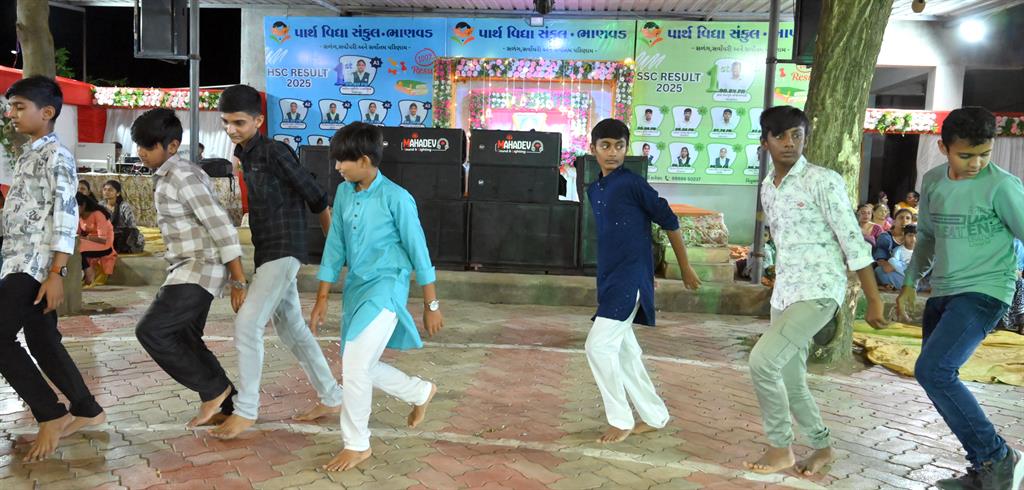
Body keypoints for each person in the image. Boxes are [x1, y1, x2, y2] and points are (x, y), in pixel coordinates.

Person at [743, 105, 887, 476]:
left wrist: (873, 299)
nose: (789, 143)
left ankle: (780, 448)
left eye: (797, 135)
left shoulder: (823, 180)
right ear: (765, 142)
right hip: (785, 293)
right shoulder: (768, 188)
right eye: (780, 136)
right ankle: (823, 447)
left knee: (762, 362)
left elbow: (852, 240)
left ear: (806, 138)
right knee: (791, 378)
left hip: (820, 290)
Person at [896, 106, 1024, 489]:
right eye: (966, 155)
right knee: (935, 377)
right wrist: (910, 282)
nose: (976, 163)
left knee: (933, 370)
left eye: (985, 154)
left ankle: (998, 458)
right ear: (943, 148)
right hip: (944, 291)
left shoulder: (1003, 186)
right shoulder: (934, 181)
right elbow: (927, 238)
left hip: (987, 290)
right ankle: (984, 468)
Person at [210, 84, 344, 439]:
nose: (231, 129)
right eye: (225, 122)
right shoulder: (246, 155)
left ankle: (246, 410)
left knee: (247, 324)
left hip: (285, 249)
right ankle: (332, 397)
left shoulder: (274, 151)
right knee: (292, 329)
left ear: (258, 120)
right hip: (268, 251)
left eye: (239, 122)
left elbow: (316, 195)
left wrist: (333, 250)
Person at [309, 122, 443, 471]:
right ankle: (419, 392)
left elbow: (419, 252)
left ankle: (357, 444)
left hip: (387, 287)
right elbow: (335, 245)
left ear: (365, 160)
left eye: (343, 161)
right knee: (361, 364)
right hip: (356, 289)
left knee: (354, 365)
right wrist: (322, 296)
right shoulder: (344, 193)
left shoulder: (397, 197)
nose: (337, 167)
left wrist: (431, 304)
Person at [0, 75, 106, 462]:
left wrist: (57, 273)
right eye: (10, 107)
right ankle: (87, 409)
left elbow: (65, 215)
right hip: (17, 260)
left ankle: (50, 413)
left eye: (19, 107)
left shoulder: (57, 156)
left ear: (47, 112)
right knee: (43, 340)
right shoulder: (29, 154)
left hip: (34, 265)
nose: (11, 114)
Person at [583, 118, 701, 444]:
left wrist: (685, 268)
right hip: (610, 278)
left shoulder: (633, 184)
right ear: (593, 149)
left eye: (619, 146)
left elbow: (669, 220)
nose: (612, 152)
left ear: (626, 148)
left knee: (597, 346)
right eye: (605, 146)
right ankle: (654, 416)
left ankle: (620, 419)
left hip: (629, 278)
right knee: (624, 353)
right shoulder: (595, 190)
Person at [130, 108, 246, 429]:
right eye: (139, 145)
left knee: (152, 331)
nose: (141, 152)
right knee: (185, 337)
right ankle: (229, 405)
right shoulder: (170, 175)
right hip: (186, 268)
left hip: (198, 268)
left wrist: (238, 280)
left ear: (172, 146)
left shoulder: (182, 175)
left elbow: (220, 224)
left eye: (148, 145)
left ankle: (214, 390)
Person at [77, 192, 116, 286]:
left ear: (83, 205)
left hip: (104, 244)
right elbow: (77, 233)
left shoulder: (98, 214)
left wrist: (85, 237)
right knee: (73, 244)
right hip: (90, 242)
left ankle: (88, 271)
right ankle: (83, 272)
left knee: (78, 246)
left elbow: (103, 239)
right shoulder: (78, 216)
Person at [101, 180, 145, 254]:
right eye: (105, 189)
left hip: (123, 234)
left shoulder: (124, 206)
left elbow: (132, 226)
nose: (106, 192)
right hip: (107, 233)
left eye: (110, 190)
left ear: (118, 193)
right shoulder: (100, 205)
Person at [875, 225, 916, 290]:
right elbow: (893, 266)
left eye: (916, 236)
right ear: (904, 236)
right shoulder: (898, 250)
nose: (913, 239)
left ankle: (911, 284)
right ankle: (911, 285)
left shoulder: (920, 251)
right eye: (910, 236)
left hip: (915, 273)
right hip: (903, 274)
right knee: (881, 269)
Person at [997, 239, 1024, 333]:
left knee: (1021, 282)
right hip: (1000, 274)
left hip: (1016, 274)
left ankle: (1021, 320)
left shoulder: (1019, 243)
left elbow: (1020, 271)